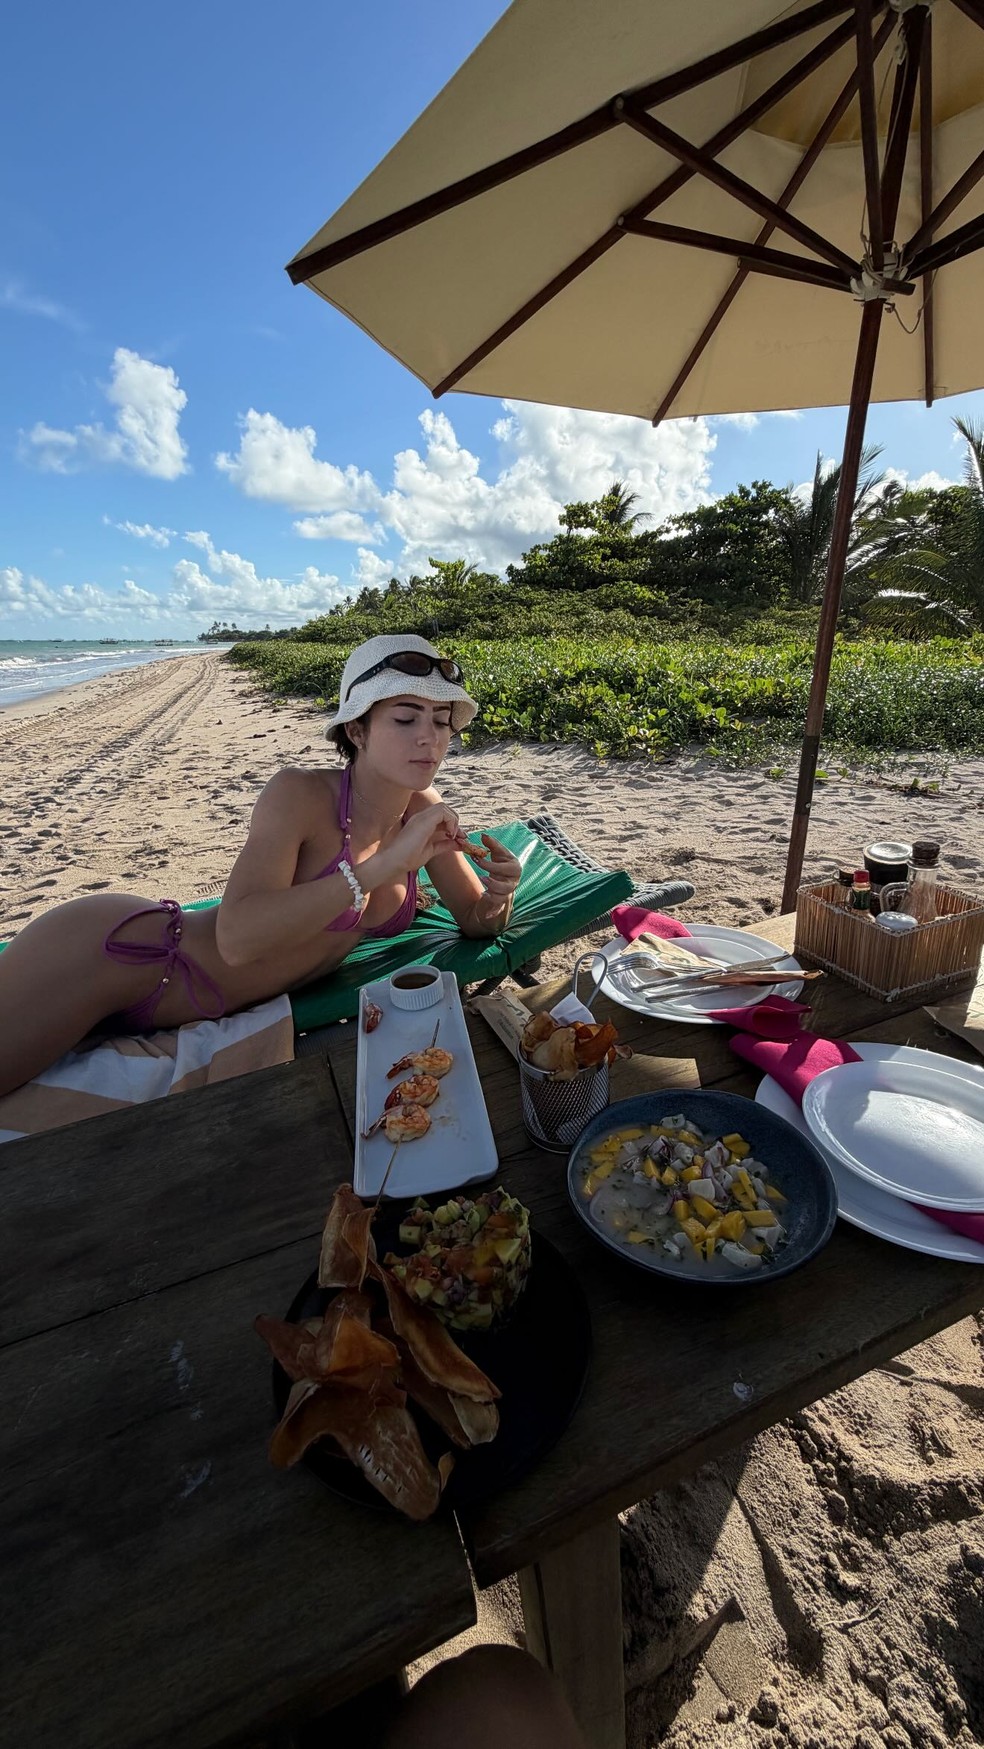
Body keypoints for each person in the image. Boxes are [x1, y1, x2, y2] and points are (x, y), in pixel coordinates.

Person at [0, 634, 522, 1099]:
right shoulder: (299, 794)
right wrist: (384, 866)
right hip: (121, 958)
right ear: (357, 731)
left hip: (173, 998)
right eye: (405, 719)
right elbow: (236, 939)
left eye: (440, 721)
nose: (429, 738)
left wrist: (500, 894)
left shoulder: (422, 809)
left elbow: (477, 922)